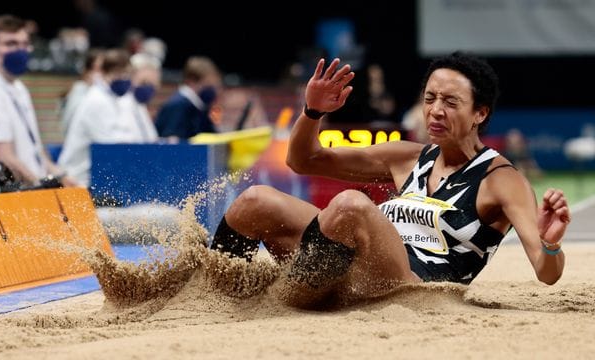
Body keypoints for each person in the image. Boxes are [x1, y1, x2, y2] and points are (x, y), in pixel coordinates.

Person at [208, 52, 570, 307]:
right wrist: (313, 111)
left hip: (413, 290)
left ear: (480, 113)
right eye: (430, 98)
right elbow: (302, 160)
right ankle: (211, 295)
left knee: (352, 206)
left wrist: (550, 244)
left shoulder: (501, 178)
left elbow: (546, 272)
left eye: (450, 101)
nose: (435, 110)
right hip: (348, 268)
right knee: (255, 201)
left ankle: (288, 299)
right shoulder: (408, 156)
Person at [0, 14, 77, 196]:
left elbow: (35, 150)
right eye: (11, 44)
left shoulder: (18, 87)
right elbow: (3, 158)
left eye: (24, 44)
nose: (20, 50)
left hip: (27, 194)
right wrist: (42, 188)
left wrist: (61, 176)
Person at [57, 48, 136, 187]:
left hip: (95, 177)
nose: (123, 78)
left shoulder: (116, 99)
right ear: (104, 73)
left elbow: (129, 135)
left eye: (127, 74)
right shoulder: (96, 100)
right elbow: (110, 145)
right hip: (76, 180)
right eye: (118, 73)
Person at [154, 55, 221, 142]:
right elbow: (171, 144)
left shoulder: (199, 107)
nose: (211, 90)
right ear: (192, 81)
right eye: (207, 84)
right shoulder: (178, 106)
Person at [59, 47, 104, 135]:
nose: (100, 74)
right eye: (97, 69)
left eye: (103, 70)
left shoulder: (102, 93)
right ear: (87, 71)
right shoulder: (79, 90)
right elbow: (68, 126)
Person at [119, 52, 160, 143]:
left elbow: (150, 139)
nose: (147, 88)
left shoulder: (140, 106)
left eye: (151, 84)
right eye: (144, 83)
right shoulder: (122, 103)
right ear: (131, 77)